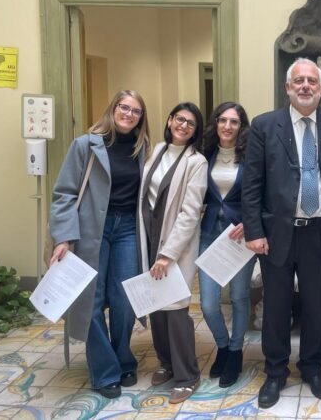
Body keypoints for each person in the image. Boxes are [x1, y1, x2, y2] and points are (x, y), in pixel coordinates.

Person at [242, 58, 321, 408]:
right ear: (288, 87)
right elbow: (252, 183)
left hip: (320, 232)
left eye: (311, 81)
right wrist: (254, 230)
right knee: (276, 306)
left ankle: (313, 367)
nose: (305, 86)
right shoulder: (264, 125)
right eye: (298, 81)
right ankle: (275, 372)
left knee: (317, 305)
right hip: (276, 234)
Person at [49, 90, 150, 398]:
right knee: (90, 300)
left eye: (135, 111)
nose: (129, 114)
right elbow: (65, 193)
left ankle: (123, 358)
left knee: (125, 299)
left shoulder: (143, 149)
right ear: (113, 109)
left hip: (128, 230)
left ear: (141, 118)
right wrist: (63, 237)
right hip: (91, 230)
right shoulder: (85, 145)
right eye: (124, 107)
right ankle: (105, 371)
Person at [138, 102, 207, 404]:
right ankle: (166, 363)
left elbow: (191, 213)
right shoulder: (156, 151)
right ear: (169, 120)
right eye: (180, 119)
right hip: (149, 236)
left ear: (195, 131)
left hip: (175, 243)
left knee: (176, 309)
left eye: (190, 123)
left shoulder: (197, 162)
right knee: (156, 304)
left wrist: (168, 254)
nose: (183, 126)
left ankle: (187, 376)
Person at [198, 101, 254, 387]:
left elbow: (262, 193)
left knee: (239, 297)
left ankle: (235, 352)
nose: (227, 126)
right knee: (208, 302)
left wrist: (251, 222)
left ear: (241, 127)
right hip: (209, 233)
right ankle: (222, 345)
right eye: (223, 120)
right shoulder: (204, 154)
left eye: (234, 121)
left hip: (239, 236)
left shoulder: (251, 156)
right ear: (216, 123)